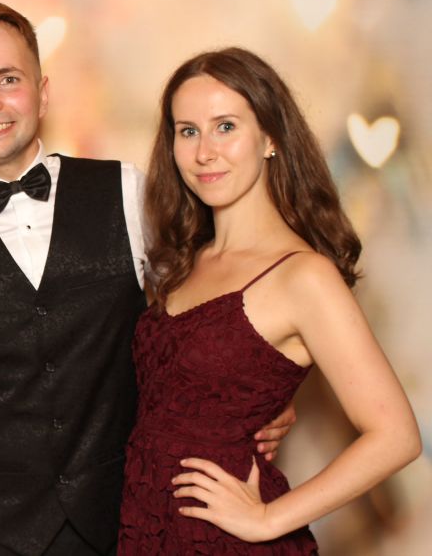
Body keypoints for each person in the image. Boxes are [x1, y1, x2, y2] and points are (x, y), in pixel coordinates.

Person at [0, 1, 294, 556]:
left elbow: (213, 309)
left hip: (129, 512)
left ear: (42, 93)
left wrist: (265, 391)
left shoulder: (128, 190)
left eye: (8, 79)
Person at [117, 47, 421, 553]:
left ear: (271, 137)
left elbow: (396, 436)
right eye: (187, 131)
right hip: (147, 527)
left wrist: (268, 518)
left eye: (226, 127)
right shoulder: (184, 259)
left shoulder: (304, 276)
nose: (204, 152)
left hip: (226, 541)